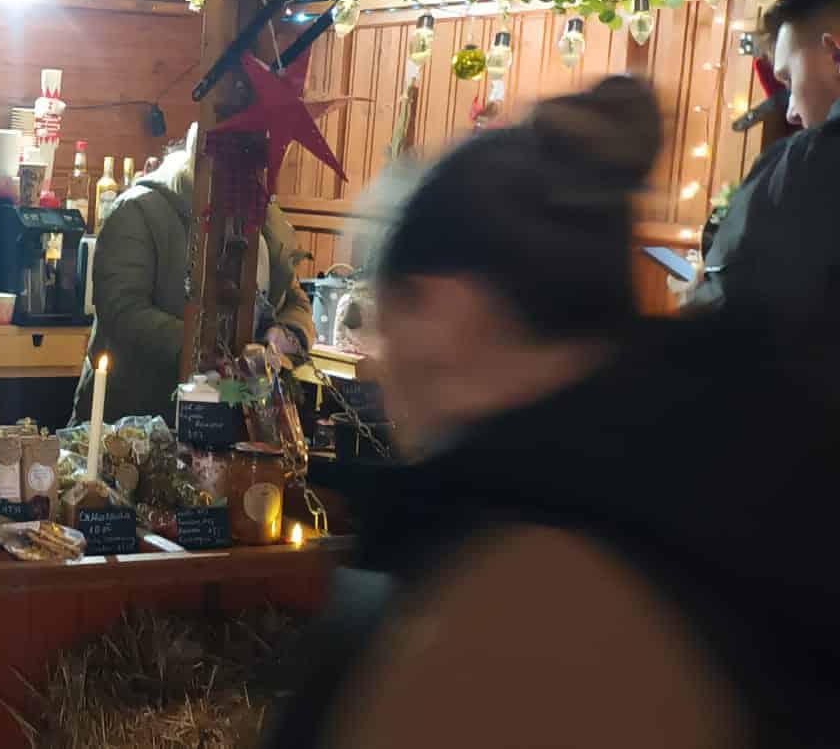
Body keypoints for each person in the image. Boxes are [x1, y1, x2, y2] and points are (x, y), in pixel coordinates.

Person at [265, 77, 840, 748]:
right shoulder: (721, 476)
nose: (382, 358)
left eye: (384, 317)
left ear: (443, 309)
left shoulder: (512, 592)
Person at [70, 141, 312, 425]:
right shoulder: (138, 209)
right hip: (134, 421)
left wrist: (285, 335)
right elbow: (123, 310)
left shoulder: (268, 223)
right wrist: (202, 347)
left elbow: (294, 299)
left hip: (237, 420)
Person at [685, 0, 840, 315]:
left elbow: (737, 320)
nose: (791, 113)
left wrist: (703, 302)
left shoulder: (810, 164)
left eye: (789, 79)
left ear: (836, 55)